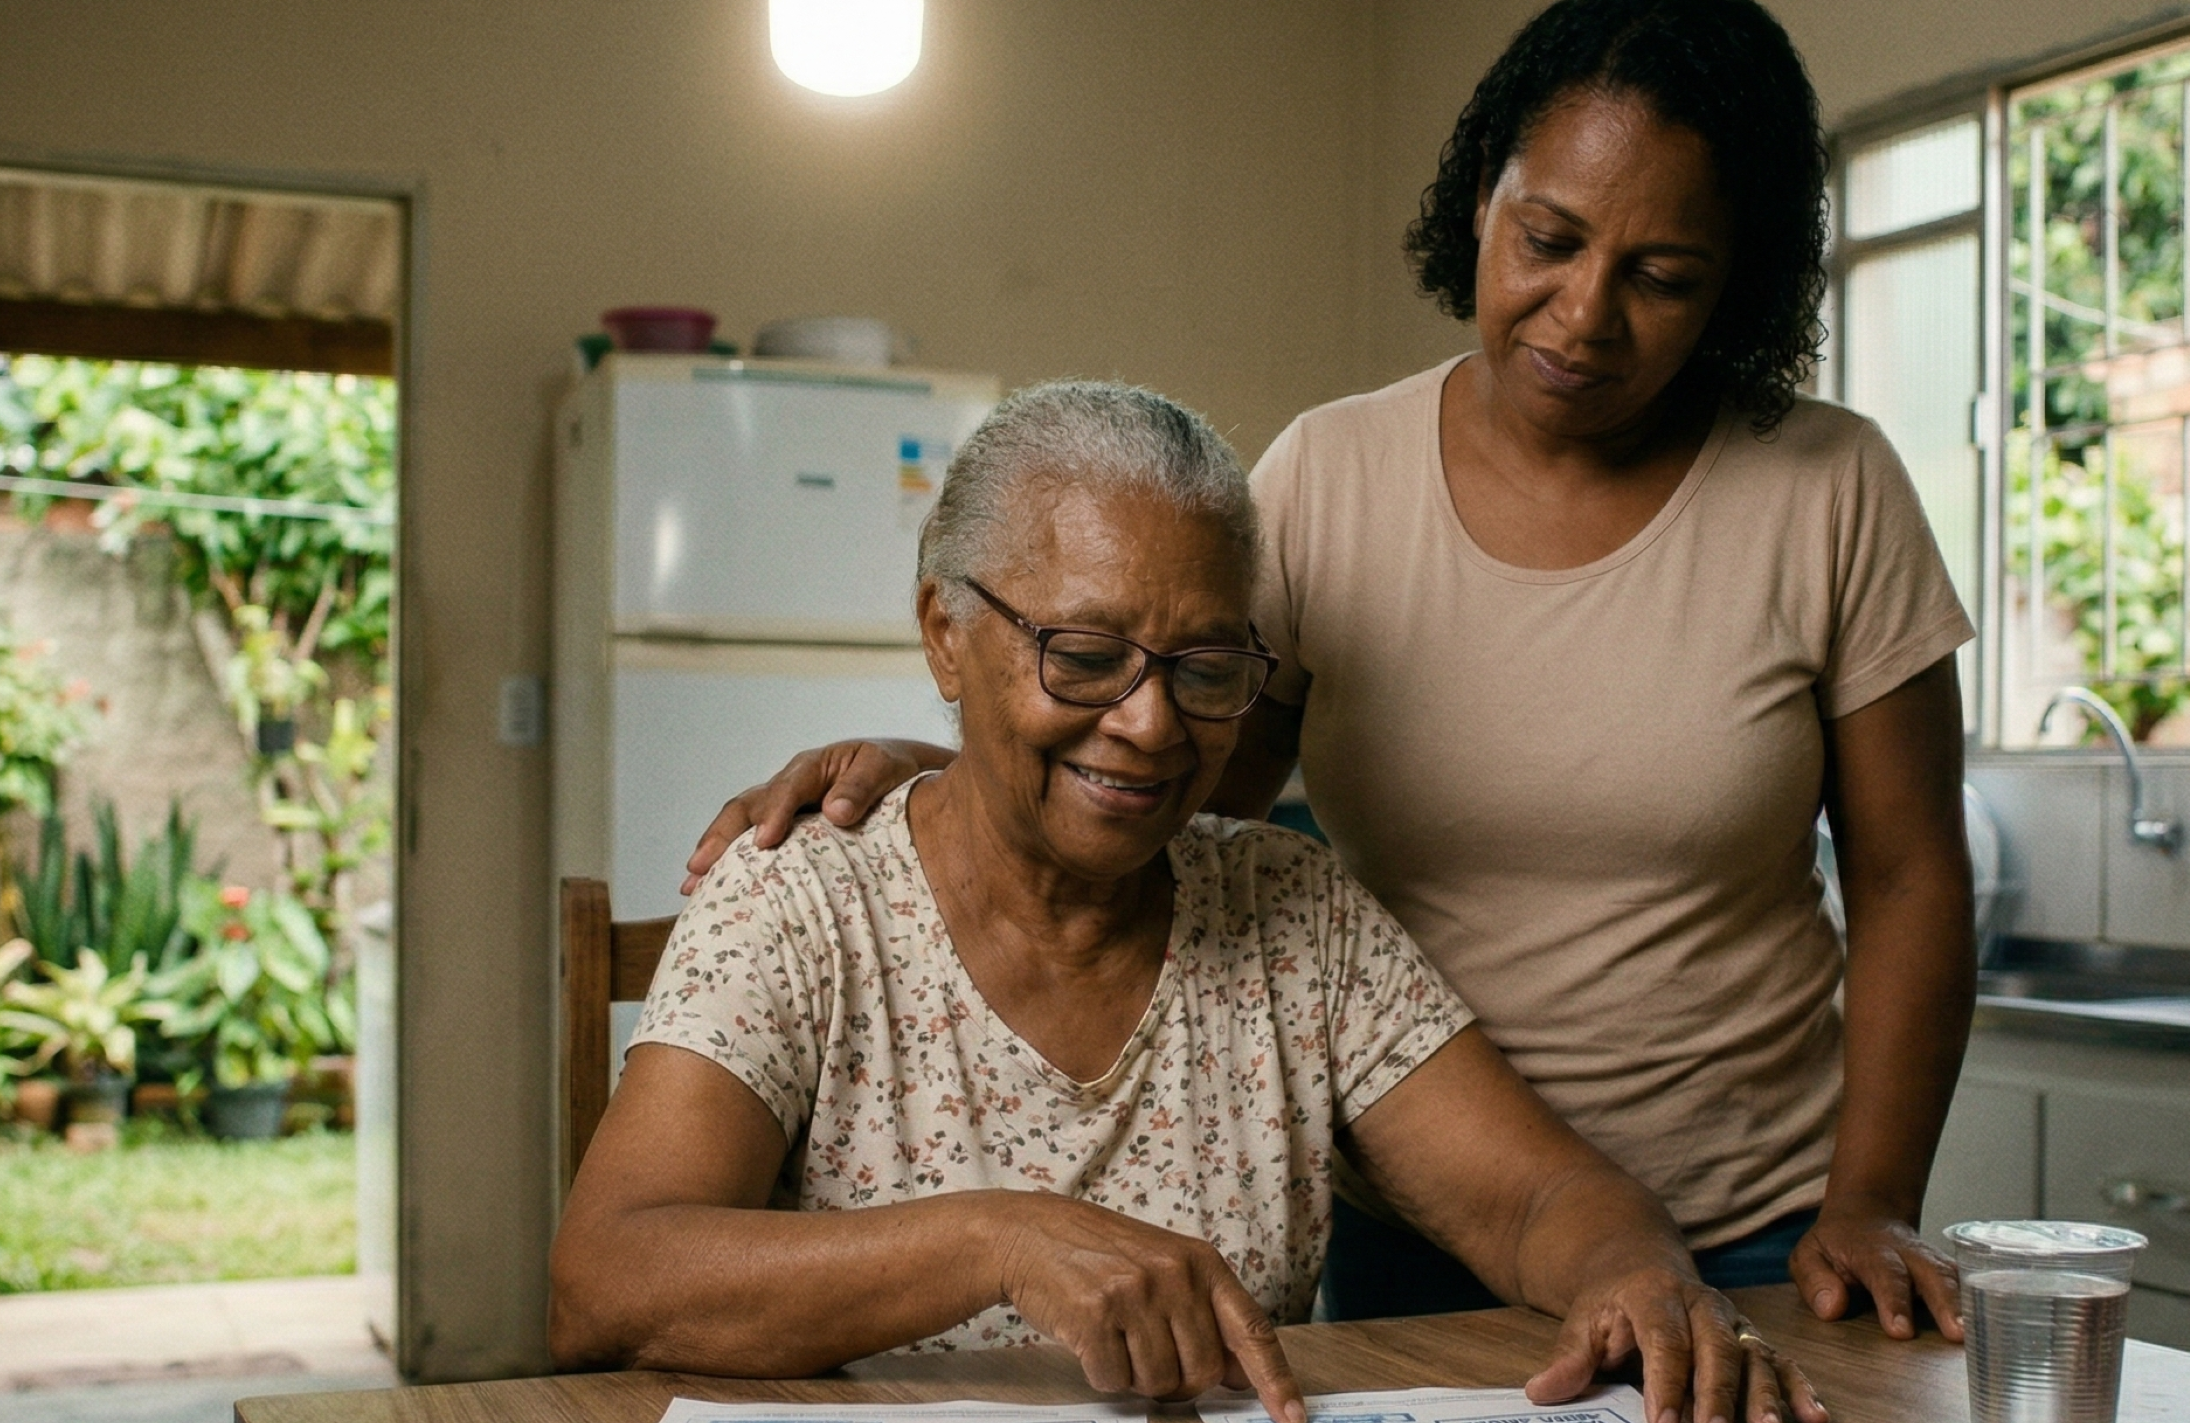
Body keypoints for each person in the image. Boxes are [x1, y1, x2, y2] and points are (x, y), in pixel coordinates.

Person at [680, 0, 1980, 1344]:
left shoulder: (1830, 490)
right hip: (1412, 1196)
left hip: (1755, 1207)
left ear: (1735, 282)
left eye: (1662, 275)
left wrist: (1871, 1198)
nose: (1585, 315)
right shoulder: (1329, 479)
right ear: (1484, 200)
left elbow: (1909, 873)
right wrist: (951, 776)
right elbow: (1172, 770)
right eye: (1549, 240)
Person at [553, 381, 1825, 1423]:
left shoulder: (1289, 907)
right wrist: (1002, 1241)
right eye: (1086, 656)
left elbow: (1536, 1196)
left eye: (1206, 669)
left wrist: (1633, 1274)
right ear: (946, 635)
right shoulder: (801, 902)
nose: (1152, 726)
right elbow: (606, 1282)